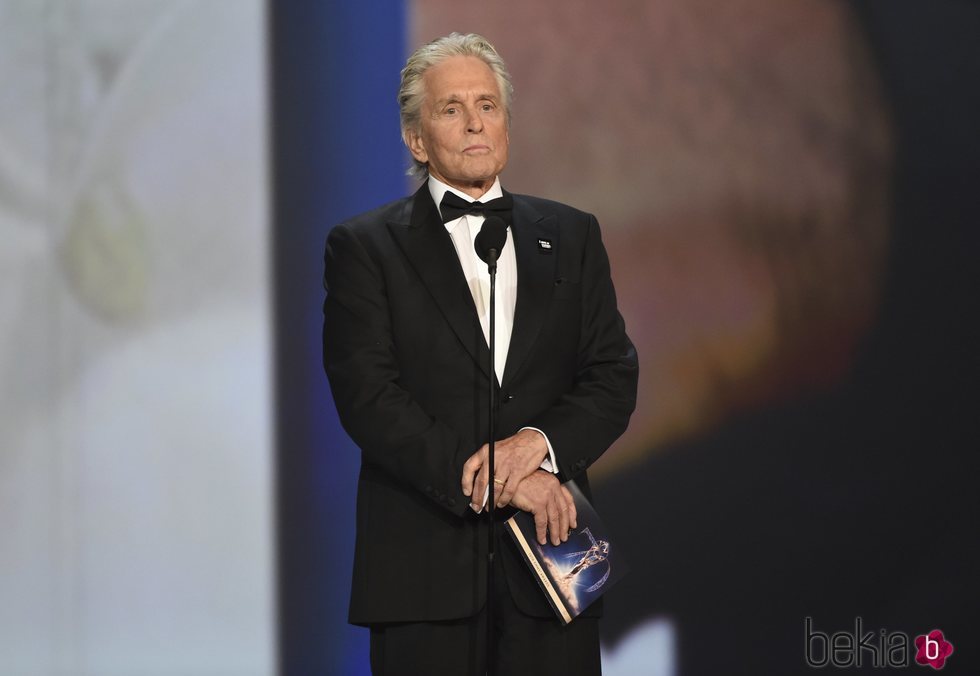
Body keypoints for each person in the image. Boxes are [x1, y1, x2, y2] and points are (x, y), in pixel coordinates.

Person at [323, 32, 638, 676]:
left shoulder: (572, 235)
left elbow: (611, 376)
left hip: (551, 574)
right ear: (416, 140)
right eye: (450, 109)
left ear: (507, 126)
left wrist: (538, 446)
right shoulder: (364, 249)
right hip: (424, 575)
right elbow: (369, 396)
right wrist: (497, 479)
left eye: (487, 105)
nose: (474, 123)